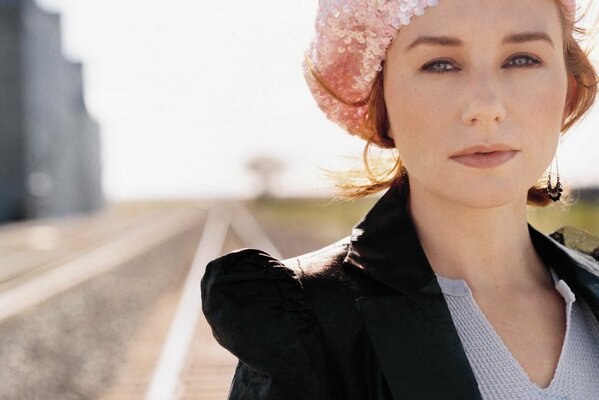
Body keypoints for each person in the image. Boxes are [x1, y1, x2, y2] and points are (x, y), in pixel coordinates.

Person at [201, 0, 599, 398]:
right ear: (382, 102)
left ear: (569, 89)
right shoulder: (310, 322)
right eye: (440, 64)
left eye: (522, 59)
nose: (485, 107)